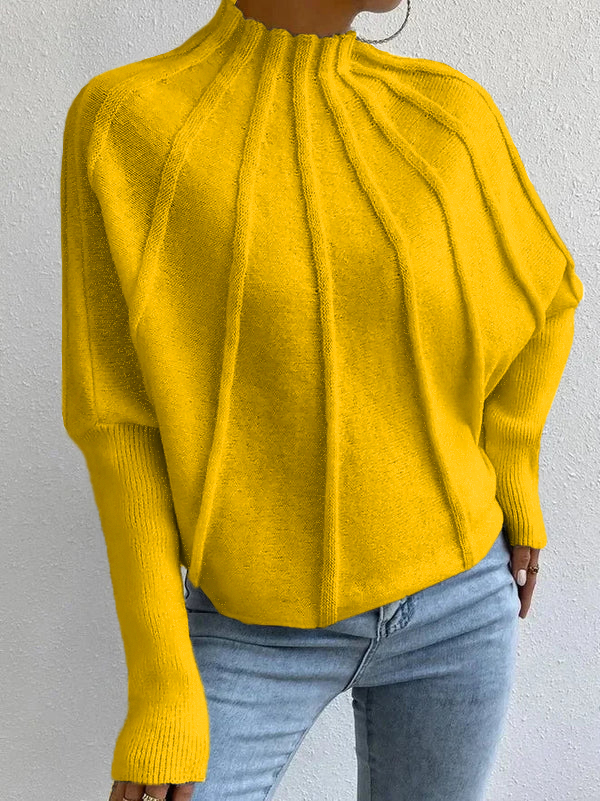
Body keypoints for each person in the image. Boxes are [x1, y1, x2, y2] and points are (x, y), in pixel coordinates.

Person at [60, 0, 585, 799]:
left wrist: (514, 469)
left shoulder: (450, 114)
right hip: (249, 629)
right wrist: (162, 689)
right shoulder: (126, 122)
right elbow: (118, 423)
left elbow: (547, 299)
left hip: (460, 601)